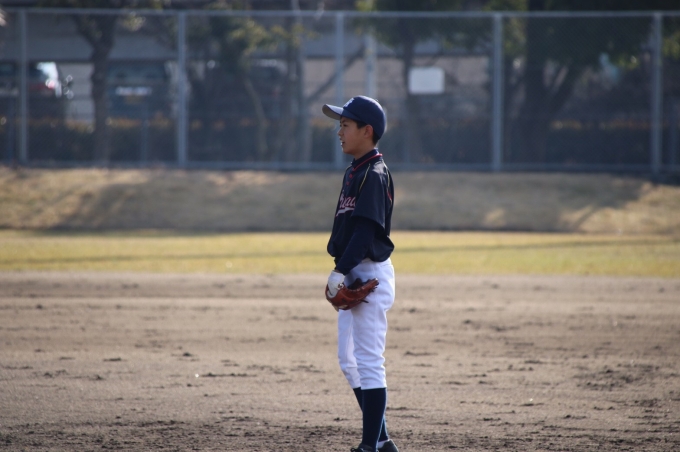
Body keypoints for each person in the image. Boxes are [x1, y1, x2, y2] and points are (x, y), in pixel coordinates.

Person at [322, 96, 399, 452]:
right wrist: (341, 267)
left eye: (345, 125)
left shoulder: (374, 173)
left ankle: (369, 447)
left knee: (368, 362)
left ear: (367, 131)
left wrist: (340, 270)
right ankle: (381, 441)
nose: (339, 131)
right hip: (353, 269)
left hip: (369, 274)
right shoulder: (355, 170)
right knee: (349, 362)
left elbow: (365, 232)